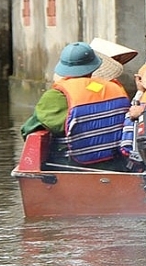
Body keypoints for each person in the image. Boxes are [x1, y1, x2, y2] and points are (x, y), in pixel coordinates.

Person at [20, 42, 130, 170]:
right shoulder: (115, 88)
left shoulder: (56, 95)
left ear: (63, 68)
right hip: (115, 164)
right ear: (95, 67)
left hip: (72, 165)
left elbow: (28, 129)